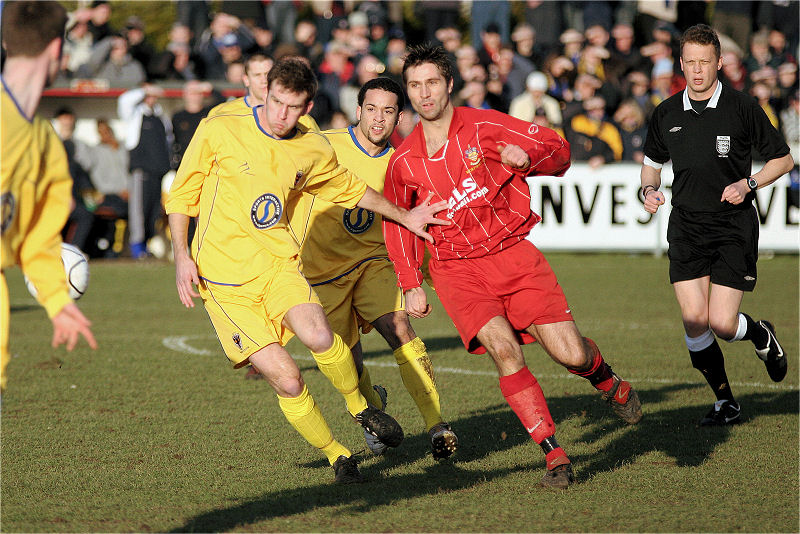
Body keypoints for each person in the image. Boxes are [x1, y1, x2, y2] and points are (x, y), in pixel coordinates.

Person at [165, 57, 447, 484]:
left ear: (307, 106)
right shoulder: (220, 128)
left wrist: (404, 217)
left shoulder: (312, 148)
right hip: (225, 282)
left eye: (291, 106)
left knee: (319, 335)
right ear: (265, 92)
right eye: (274, 101)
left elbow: (352, 190)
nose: (280, 114)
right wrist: (181, 255)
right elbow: (182, 194)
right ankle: (337, 455)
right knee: (289, 379)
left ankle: (361, 408)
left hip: (280, 266)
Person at [383, 45, 642, 490]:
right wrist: (411, 282)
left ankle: (610, 383)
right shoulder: (404, 162)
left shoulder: (485, 123)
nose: (424, 94)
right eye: (414, 86)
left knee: (571, 354)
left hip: (513, 255)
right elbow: (398, 224)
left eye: (431, 83)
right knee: (505, 352)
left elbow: (558, 150)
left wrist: (530, 160)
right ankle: (555, 456)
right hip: (456, 270)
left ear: (449, 84)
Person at [291, 77, 459, 461]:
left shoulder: (401, 166)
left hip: (372, 263)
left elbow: (414, 226)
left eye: (387, 111)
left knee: (399, 327)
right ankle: (371, 409)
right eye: (371, 109)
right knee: (348, 361)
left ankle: (437, 426)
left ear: (400, 117)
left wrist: (426, 280)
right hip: (319, 272)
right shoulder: (325, 145)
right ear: (358, 109)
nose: (378, 119)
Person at [640, 24, 793, 426]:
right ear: (680, 64)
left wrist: (749, 183)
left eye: (704, 62)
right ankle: (726, 401)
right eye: (689, 63)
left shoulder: (742, 107)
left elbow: (783, 160)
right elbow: (651, 166)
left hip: (732, 227)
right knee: (694, 322)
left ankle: (760, 334)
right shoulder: (667, 112)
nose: (696, 71)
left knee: (722, 324)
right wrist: (648, 191)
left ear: (720, 63)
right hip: (686, 227)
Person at [1, 0, 97, 395]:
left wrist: (58, 303)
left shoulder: (45, 143)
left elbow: (38, 241)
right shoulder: (47, 145)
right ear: (59, 49)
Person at [117, 83, 173, 259]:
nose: (151, 98)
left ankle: (148, 245)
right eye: (147, 94)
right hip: (141, 171)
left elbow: (168, 143)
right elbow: (124, 101)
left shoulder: (161, 117)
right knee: (138, 211)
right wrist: (144, 90)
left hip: (159, 173)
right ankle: (136, 246)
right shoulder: (135, 115)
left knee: (154, 211)